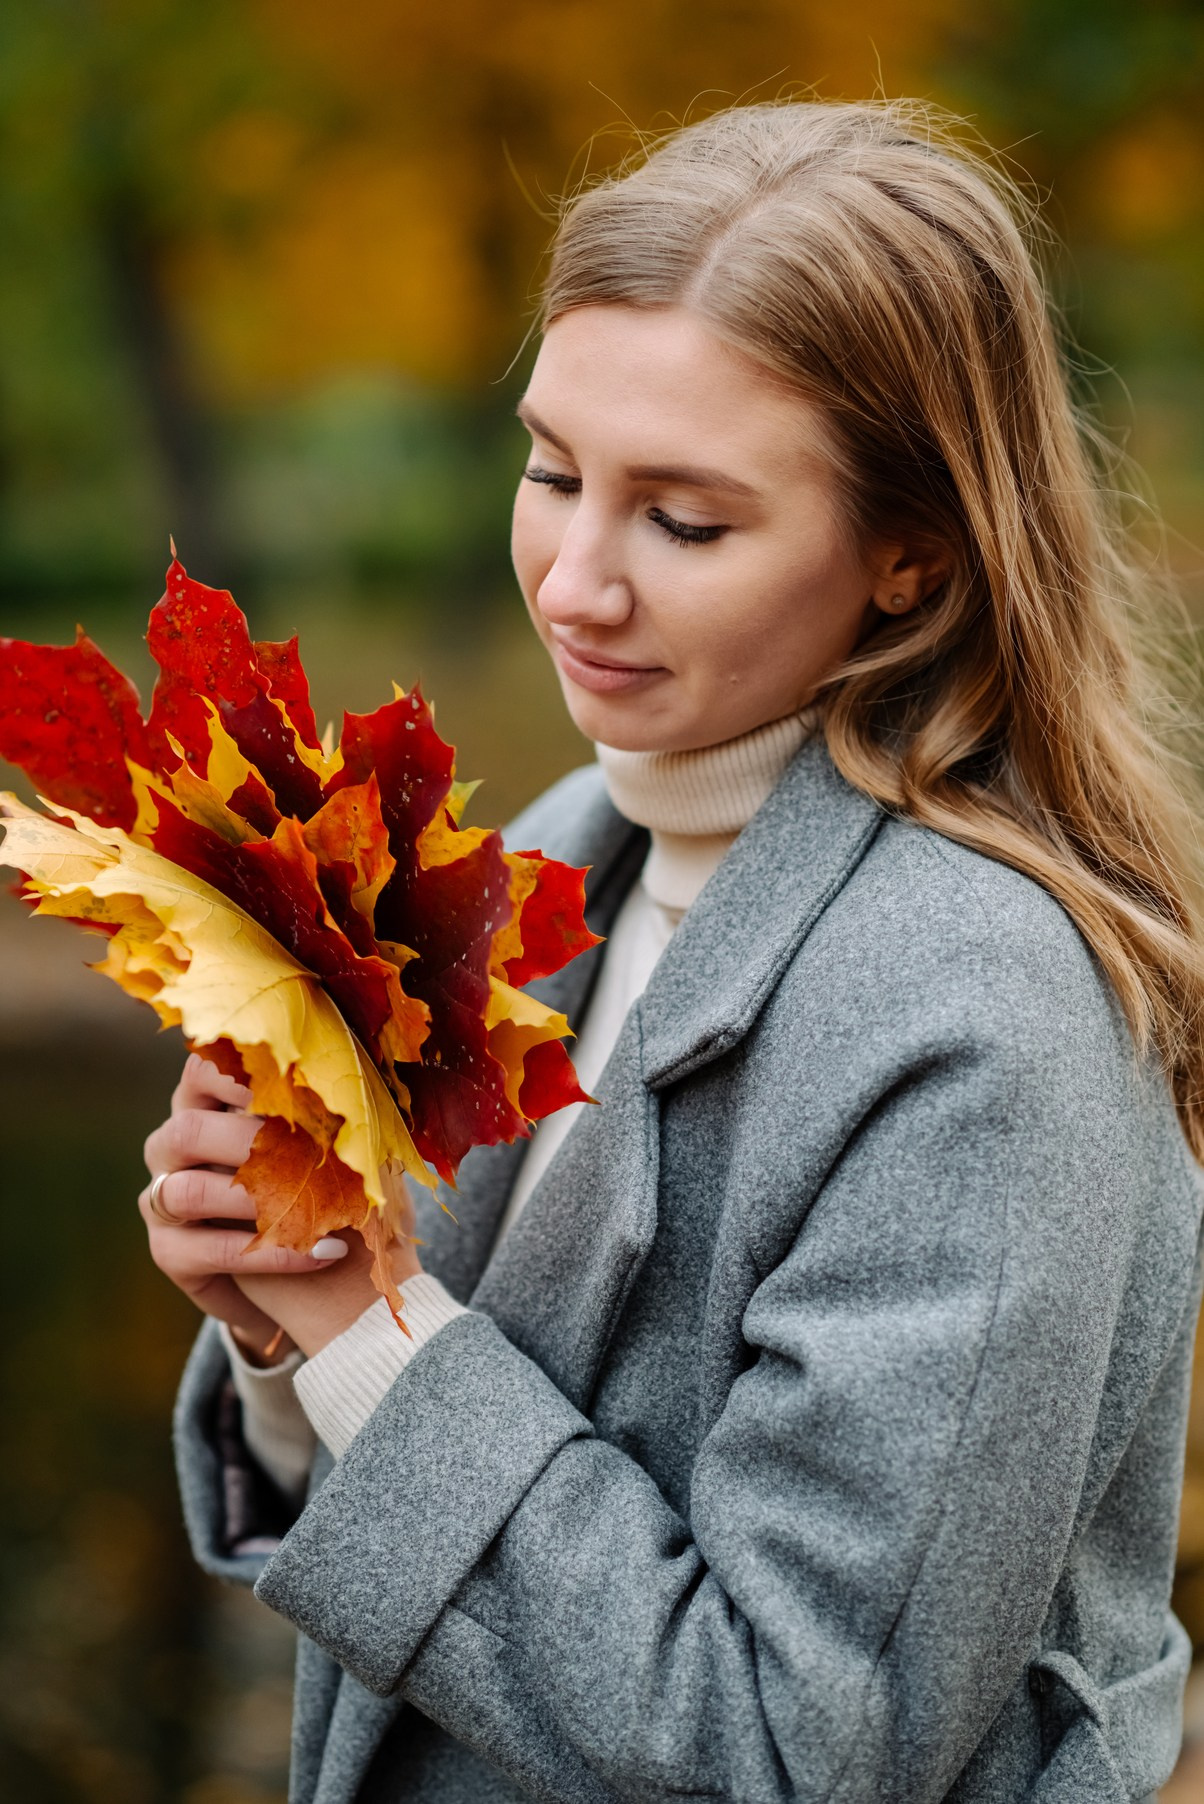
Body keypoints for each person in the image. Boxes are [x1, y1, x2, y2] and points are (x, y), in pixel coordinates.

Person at [143, 99, 1204, 1800]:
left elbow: (793, 1744)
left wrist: (365, 1335)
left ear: (912, 558)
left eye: (684, 522)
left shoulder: (984, 1021)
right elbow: (412, 1526)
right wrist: (288, 1312)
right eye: (555, 472)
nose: (574, 583)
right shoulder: (558, 851)